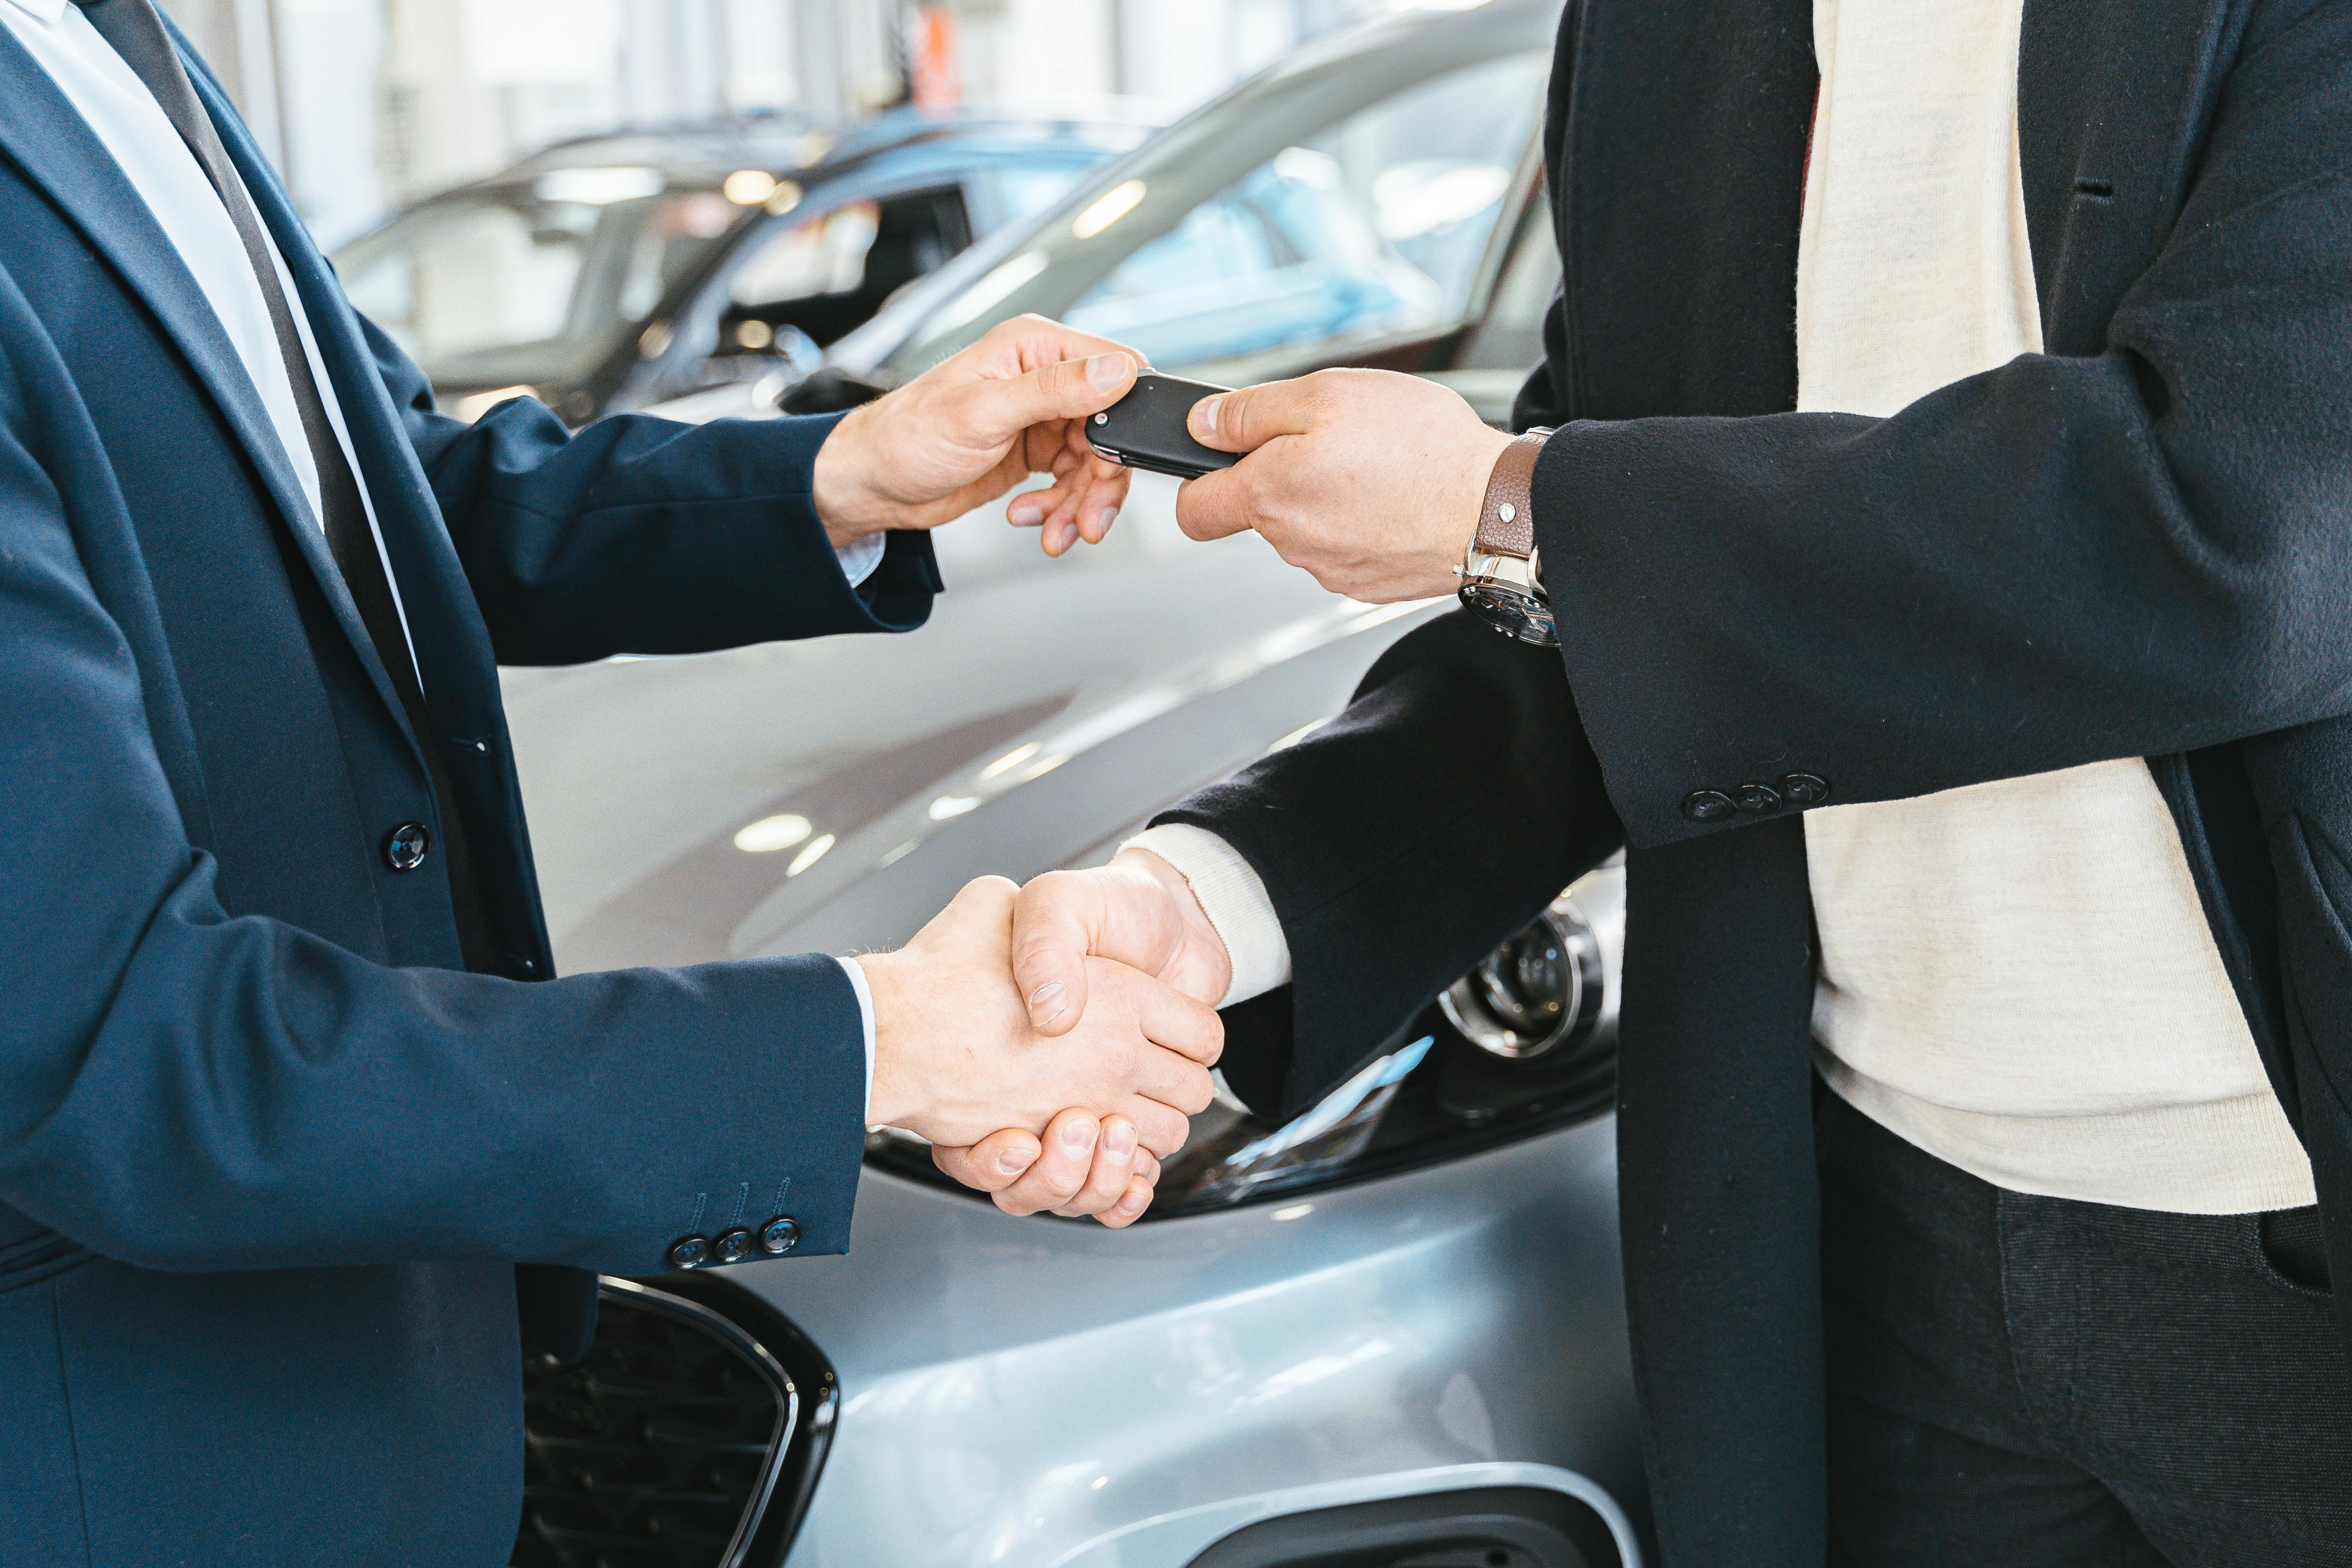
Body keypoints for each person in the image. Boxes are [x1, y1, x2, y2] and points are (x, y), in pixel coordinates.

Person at [971, 0, 2352, 1563]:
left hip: (2287, 1218)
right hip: (1864, 1217)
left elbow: (2253, 524)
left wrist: (1514, 504)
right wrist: (1212, 904)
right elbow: (1611, 616)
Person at [0, 1, 1215, 1563]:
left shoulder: (113, 38)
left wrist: (838, 476)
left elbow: (378, 504)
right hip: (131, 1464)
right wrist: (878, 1043)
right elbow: (116, 1045)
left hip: (383, 1401)